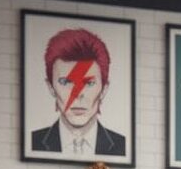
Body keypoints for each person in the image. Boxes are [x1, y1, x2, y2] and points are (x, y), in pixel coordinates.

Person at [31, 28, 126, 157]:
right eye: (65, 82)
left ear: (104, 89)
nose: (77, 94)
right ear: (51, 88)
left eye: (89, 83)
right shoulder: (34, 142)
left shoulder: (121, 145)